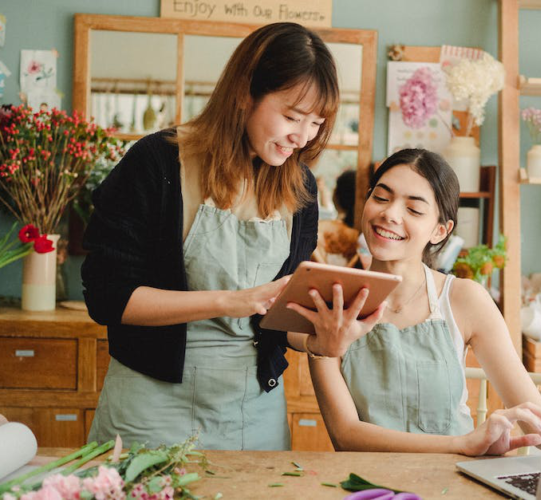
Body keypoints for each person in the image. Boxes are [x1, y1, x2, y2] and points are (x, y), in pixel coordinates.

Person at [81, 22, 385, 451]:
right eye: (292, 116)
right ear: (245, 94)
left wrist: (323, 337)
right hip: (149, 408)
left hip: (252, 410)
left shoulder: (300, 187)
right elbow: (108, 297)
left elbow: (282, 321)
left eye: (316, 122)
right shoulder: (157, 163)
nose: (303, 137)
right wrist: (232, 301)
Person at [288, 149, 541, 456]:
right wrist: (463, 443)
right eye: (382, 197)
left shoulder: (463, 299)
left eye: (414, 210)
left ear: (440, 230)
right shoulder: (330, 301)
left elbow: (540, 424)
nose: (390, 214)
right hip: (367, 486)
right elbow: (345, 434)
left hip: (454, 482)